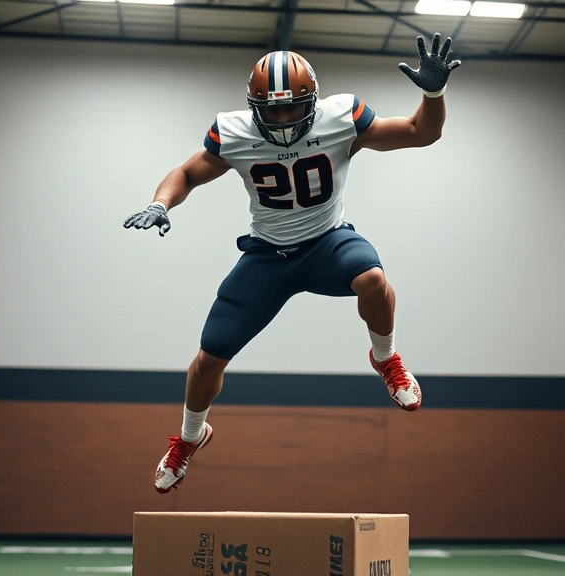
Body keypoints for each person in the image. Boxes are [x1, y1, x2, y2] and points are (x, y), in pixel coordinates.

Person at [124, 33, 461, 494]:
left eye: (292, 107)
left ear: (314, 100)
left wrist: (433, 93)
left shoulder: (343, 117)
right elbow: (186, 172)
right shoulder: (235, 131)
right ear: (253, 106)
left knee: (372, 278)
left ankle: (385, 359)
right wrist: (161, 203)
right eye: (273, 109)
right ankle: (190, 437)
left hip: (327, 243)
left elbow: (423, 133)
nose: (283, 118)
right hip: (268, 256)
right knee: (207, 360)